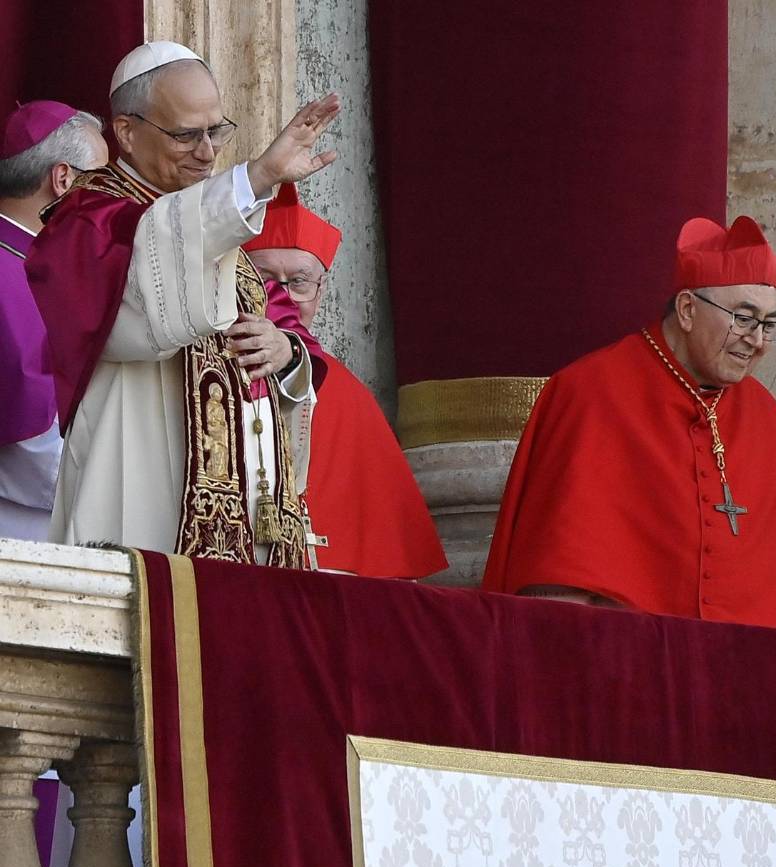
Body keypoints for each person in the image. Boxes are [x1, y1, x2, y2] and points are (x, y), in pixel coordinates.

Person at [25, 41, 339, 566]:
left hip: (253, 520)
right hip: (147, 497)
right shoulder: (89, 220)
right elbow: (145, 309)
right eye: (187, 135)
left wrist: (284, 351)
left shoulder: (220, 229)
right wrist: (257, 178)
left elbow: (294, 336)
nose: (208, 152)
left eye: (217, 131)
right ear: (126, 132)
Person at [483, 215, 776, 634]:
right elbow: (558, 577)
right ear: (688, 310)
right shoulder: (591, 394)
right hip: (626, 666)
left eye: (769, 323)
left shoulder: (769, 422)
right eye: (744, 318)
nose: (757, 340)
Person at [244, 185, 447, 578]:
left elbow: (392, 568)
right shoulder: (201, 369)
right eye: (264, 278)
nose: (281, 297)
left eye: (299, 282)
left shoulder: (350, 395)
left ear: (320, 293)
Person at [0, 101, 107, 540]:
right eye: (103, 181)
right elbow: (32, 440)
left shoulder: (37, 264)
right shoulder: (11, 274)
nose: (112, 200)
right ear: (63, 180)